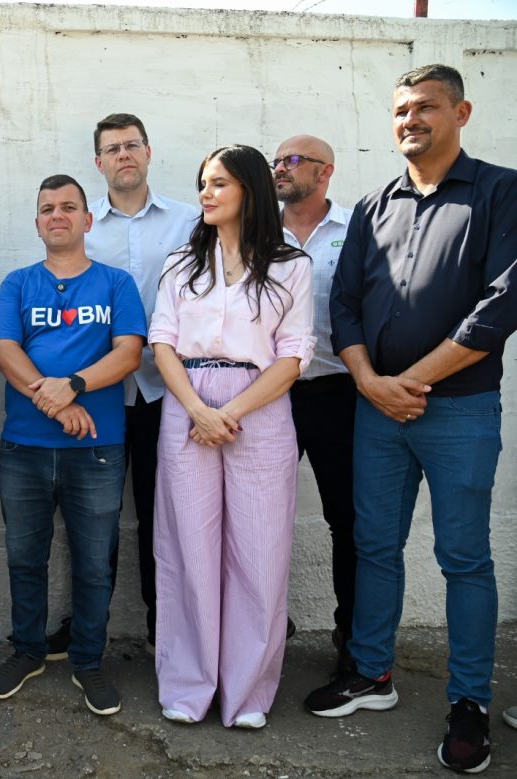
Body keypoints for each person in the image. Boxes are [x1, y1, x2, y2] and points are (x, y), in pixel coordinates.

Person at [306, 64, 517, 775]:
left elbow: (500, 303)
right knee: (374, 544)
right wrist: (369, 379)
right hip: (377, 409)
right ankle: (371, 672)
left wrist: (409, 382)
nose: (411, 120)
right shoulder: (373, 204)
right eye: (401, 109)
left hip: (458, 410)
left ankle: (469, 702)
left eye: (425, 106)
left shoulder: (500, 191)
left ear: (461, 110)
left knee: (463, 557)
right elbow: (344, 304)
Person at [150, 144, 314, 729]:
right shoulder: (180, 263)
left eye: (219, 182)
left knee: (260, 553)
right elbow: (162, 341)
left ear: (249, 189)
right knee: (188, 550)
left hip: (261, 409)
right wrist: (198, 409)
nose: (206, 193)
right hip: (187, 405)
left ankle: (246, 693)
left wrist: (232, 412)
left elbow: (295, 353)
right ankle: (190, 685)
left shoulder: (292, 263)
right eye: (202, 183)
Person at [0, 175, 145, 715]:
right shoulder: (18, 283)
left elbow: (128, 354)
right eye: (47, 207)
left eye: (69, 207)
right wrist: (55, 404)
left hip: (97, 451)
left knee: (94, 562)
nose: (58, 214)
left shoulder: (116, 284)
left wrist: (74, 385)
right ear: (37, 223)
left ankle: (88, 661)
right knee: (24, 558)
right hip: (25, 447)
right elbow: (3, 349)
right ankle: (28, 650)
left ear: (86, 219)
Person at [79, 113, 199, 655]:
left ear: (149, 153)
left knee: (164, 517)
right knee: (92, 517)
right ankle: (87, 629)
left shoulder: (191, 221)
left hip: (168, 393)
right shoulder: (83, 227)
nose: (123, 155)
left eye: (132, 145)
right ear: (98, 162)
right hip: (99, 393)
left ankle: (164, 628)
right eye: (112, 148)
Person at [272, 135, 356, 669]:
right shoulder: (256, 232)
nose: (280, 168)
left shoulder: (358, 230)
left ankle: (354, 641)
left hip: (339, 395)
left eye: (293, 160)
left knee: (348, 520)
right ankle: (264, 629)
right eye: (276, 159)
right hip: (269, 397)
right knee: (258, 518)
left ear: (325, 172)